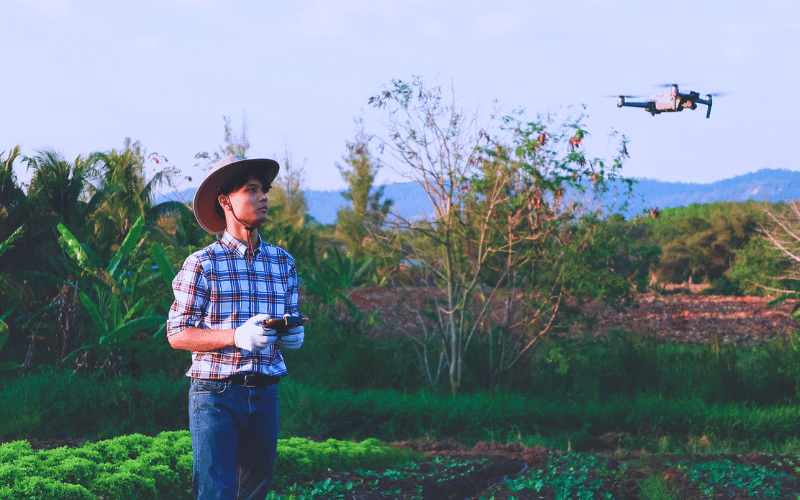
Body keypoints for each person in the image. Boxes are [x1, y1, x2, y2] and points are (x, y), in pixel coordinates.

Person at [166, 155, 304, 499]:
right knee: (217, 492)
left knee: (255, 493)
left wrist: (292, 334)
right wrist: (235, 337)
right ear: (225, 201)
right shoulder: (202, 264)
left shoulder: (282, 262)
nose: (264, 197)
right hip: (216, 395)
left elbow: (288, 316)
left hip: (266, 392)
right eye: (252, 190)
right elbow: (177, 333)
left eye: (264, 190)